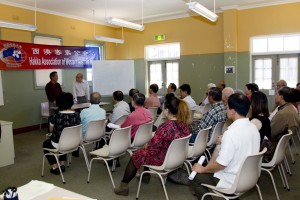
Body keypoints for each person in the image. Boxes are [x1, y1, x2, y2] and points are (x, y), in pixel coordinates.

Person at [114, 93, 191, 196]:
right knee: (143, 152)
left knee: (136, 155)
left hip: (163, 159)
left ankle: (123, 187)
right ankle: (146, 176)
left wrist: (148, 145)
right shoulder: (184, 125)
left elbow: (153, 150)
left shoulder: (165, 126)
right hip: (176, 158)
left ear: (167, 111)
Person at [189, 93, 260, 200]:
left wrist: (203, 169)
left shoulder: (231, 133)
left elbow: (220, 165)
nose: (225, 109)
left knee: (194, 177)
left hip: (232, 181)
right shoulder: (253, 128)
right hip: (249, 177)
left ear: (233, 111)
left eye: (227, 107)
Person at [42, 92, 81, 175]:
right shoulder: (77, 115)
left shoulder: (55, 115)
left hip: (60, 143)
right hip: (74, 143)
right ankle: (62, 163)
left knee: (46, 144)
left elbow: (51, 130)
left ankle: (55, 166)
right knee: (65, 140)